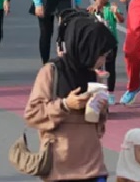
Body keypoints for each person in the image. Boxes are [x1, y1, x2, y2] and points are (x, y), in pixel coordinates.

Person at [23, 17, 115, 182]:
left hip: (92, 166)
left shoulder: (95, 76)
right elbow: (32, 114)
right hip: (60, 167)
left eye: (106, 56)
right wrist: (65, 105)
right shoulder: (51, 72)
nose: (103, 61)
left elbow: (100, 128)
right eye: (101, 55)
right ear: (86, 48)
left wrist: (100, 109)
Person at [90, 0, 123, 105]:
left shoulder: (111, 7)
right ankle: (98, 92)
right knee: (97, 69)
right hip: (97, 46)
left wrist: (116, 13)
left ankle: (111, 93)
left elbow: (121, 20)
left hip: (111, 43)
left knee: (110, 68)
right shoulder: (92, 9)